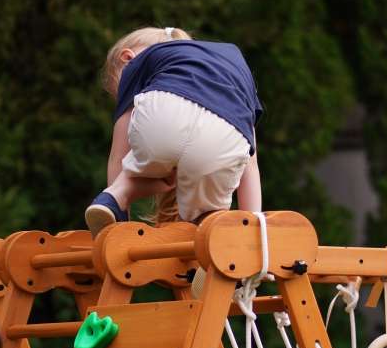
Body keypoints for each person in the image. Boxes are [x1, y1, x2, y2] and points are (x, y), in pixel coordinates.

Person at [85, 25, 263, 231]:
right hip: (225, 137)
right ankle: (205, 231)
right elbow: (250, 165)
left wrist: (118, 214)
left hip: (162, 122)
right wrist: (254, 225)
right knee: (209, 217)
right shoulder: (231, 68)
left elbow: (118, 155)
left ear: (126, 57)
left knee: (127, 177)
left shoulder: (137, 64)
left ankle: (115, 198)